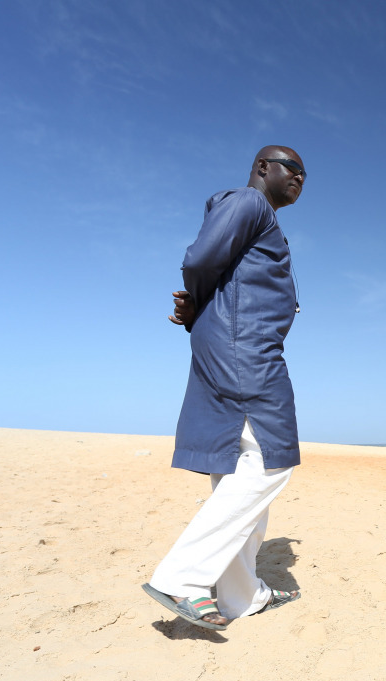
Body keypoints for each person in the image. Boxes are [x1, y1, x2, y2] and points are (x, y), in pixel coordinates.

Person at [142, 146, 308, 631]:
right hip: (247, 353)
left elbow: (224, 277)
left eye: (305, 174)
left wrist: (200, 313)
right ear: (263, 169)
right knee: (272, 463)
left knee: (237, 467)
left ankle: (241, 595)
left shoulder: (260, 219)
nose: (300, 178)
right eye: (292, 168)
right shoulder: (250, 204)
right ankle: (183, 578)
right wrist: (196, 301)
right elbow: (201, 259)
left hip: (231, 344)